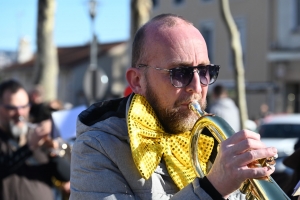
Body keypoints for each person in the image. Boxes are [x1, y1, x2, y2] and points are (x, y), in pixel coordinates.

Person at [70, 14, 277, 200]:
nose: (197, 87)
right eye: (180, 73)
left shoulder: (211, 141)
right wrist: (212, 188)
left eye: (205, 71)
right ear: (137, 81)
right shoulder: (96, 146)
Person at [0, 79, 70, 200]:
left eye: (24, 107)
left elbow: (66, 175)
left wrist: (53, 152)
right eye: (12, 108)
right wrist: (30, 147)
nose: (20, 113)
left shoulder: (36, 136)